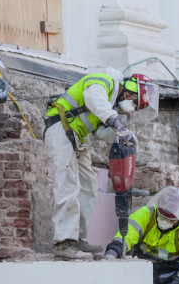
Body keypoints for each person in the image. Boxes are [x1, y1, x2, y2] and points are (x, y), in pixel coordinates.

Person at [45, 70, 156, 260]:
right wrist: (117, 124)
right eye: (134, 102)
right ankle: (63, 242)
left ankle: (75, 237)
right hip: (60, 128)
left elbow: (99, 132)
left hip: (77, 137)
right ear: (130, 91)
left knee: (89, 187)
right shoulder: (104, 80)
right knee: (67, 184)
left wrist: (126, 136)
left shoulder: (109, 103)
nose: (131, 106)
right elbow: (93, 98)